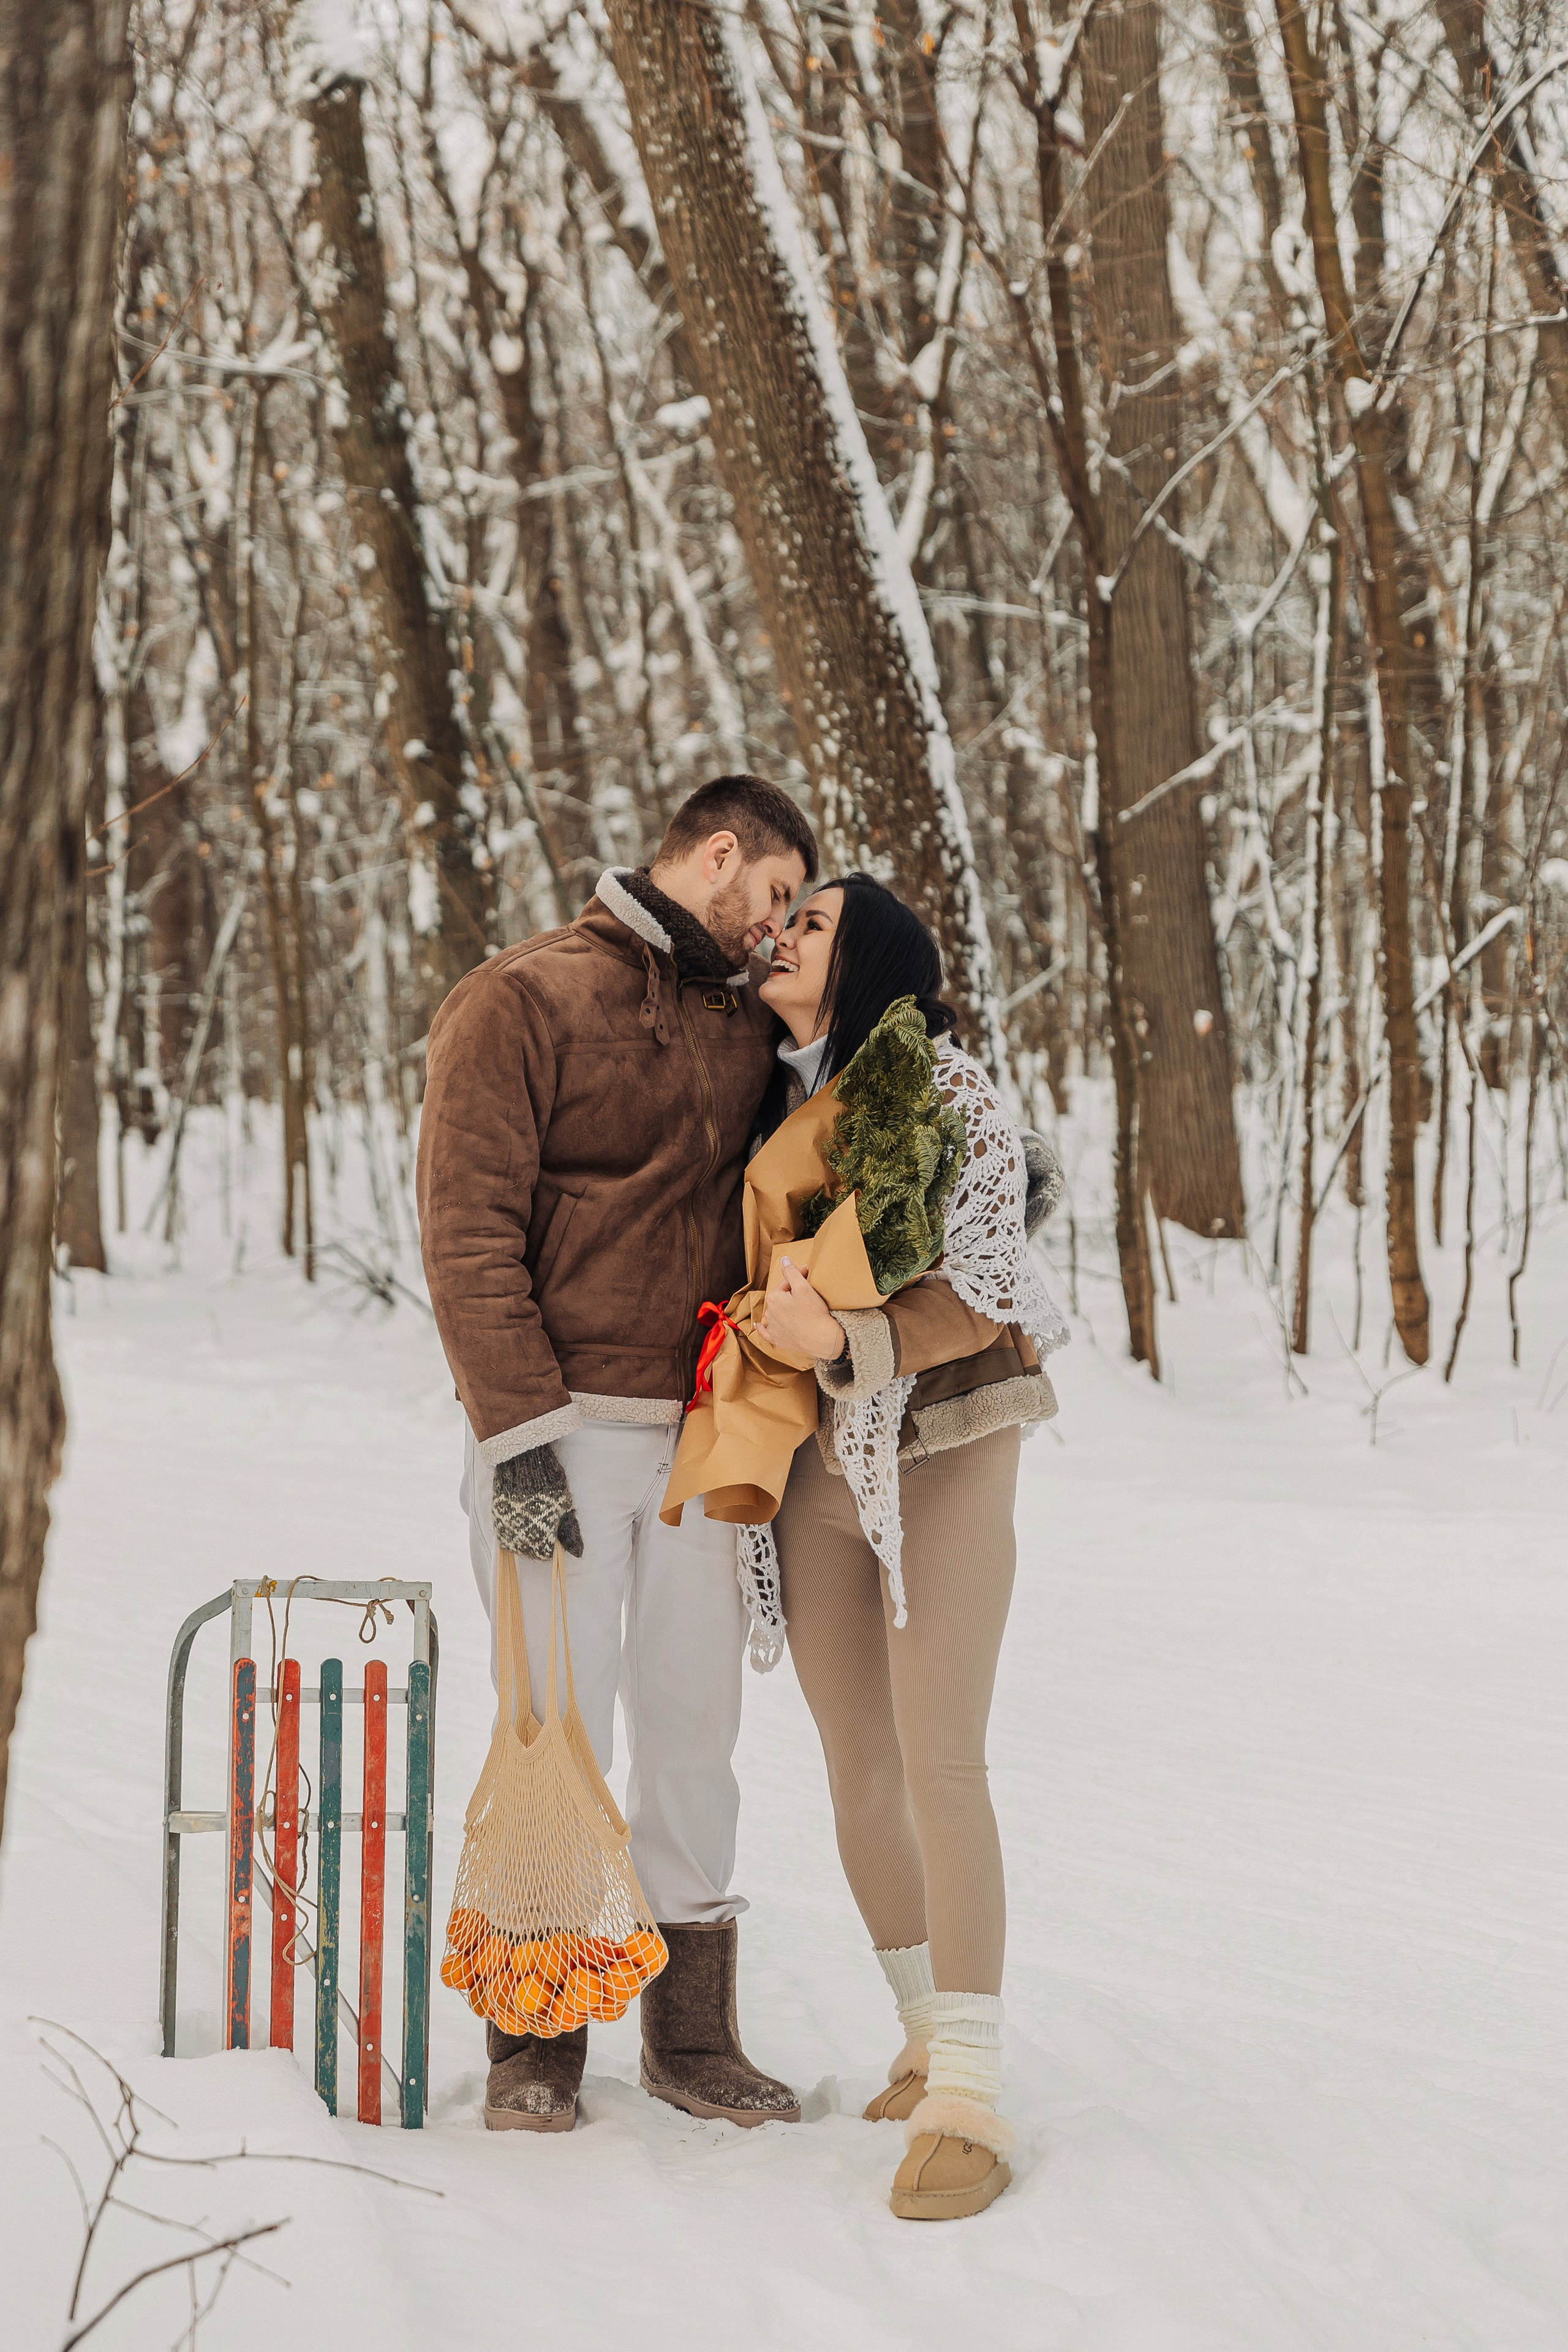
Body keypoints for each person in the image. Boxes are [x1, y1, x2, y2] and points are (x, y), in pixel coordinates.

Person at [417, 774, 817, 2133]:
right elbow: (465, 1234)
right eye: (769, 898)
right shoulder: (519, 999)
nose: (774, 932)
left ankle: (689, 2038)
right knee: (556, 1719)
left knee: (694, 1725)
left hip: (703, 1443)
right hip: (555, 1443)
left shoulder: (752, 1029)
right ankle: (533, 2038)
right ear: (716, 856)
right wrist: (517, 1439)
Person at [748, 875, 1066, 2221]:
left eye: (808, 924)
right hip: (813, 1453)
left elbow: (987, 1289)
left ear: (867, 955)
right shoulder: (759, 1097)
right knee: (854, 1763)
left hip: (943, 1439)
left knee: (940, 1754)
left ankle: (972, 2095)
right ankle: (922, 2027)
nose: (779, 937)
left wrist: (850, 1343)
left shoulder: (950, 1093)